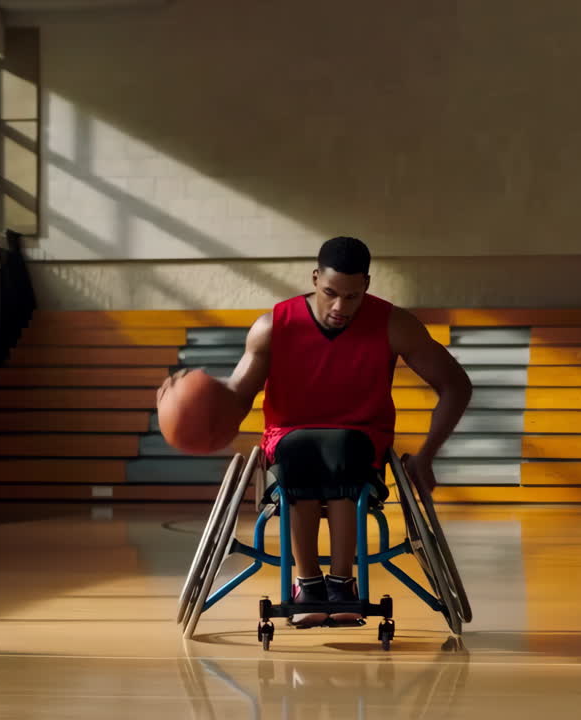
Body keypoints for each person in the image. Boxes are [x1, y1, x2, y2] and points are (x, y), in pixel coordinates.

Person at [163, 236, 472, 626]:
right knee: (303, 450)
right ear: (314, 279)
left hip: (361, 442)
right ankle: (307, 584)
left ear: (367, 286)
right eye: (330, 293)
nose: (340, 306)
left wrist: (428, 452)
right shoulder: (273, 326)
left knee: (340, 448)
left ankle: (342, 585)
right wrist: (195, 401)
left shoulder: (394, 324)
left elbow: (456, 384)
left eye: (352, 296)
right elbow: (238, 395)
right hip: (290, 442)